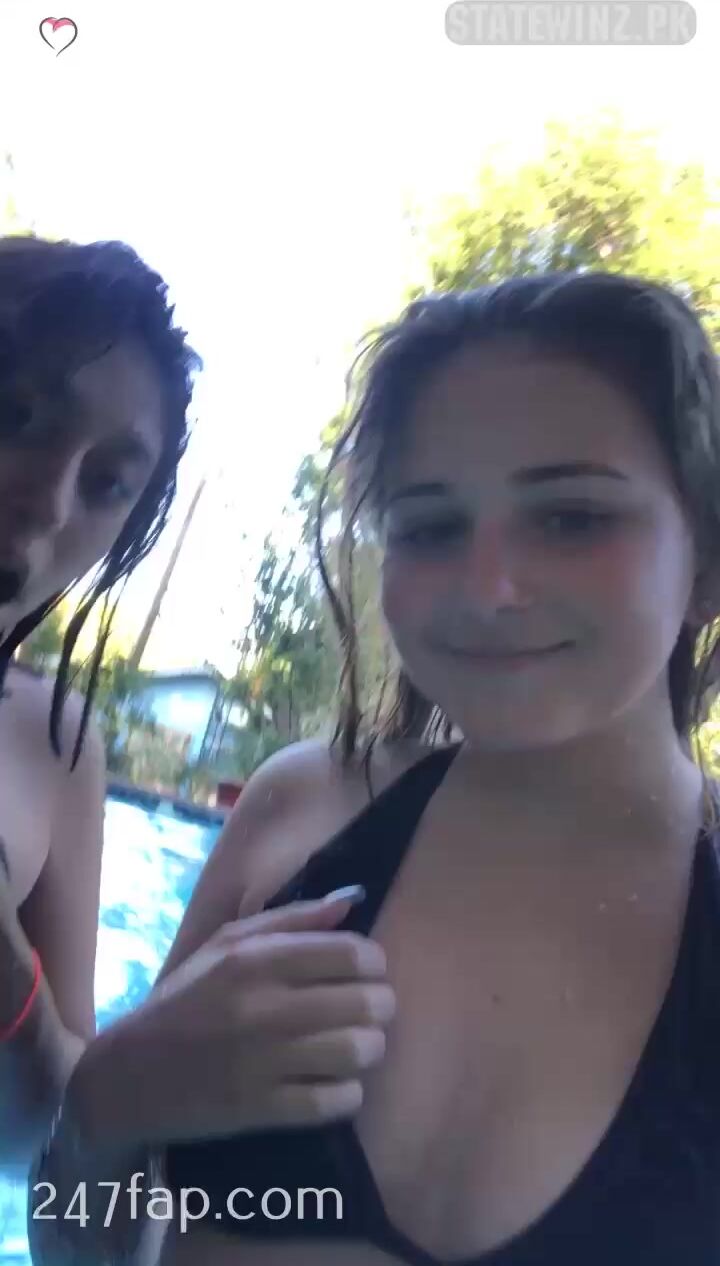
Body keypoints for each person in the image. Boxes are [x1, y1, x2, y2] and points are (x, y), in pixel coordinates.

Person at [33, 270, 720, 1266]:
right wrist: (104, 1107)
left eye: (572, 517)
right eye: (430, 526)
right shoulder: (300, 815)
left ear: (705, 563)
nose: (488, 589)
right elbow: (82, 1239)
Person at [0, 231, 200, 1175]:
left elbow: (41, 1152)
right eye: (15, 415)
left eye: (108, 482)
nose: (48, 504)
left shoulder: (53, 742)